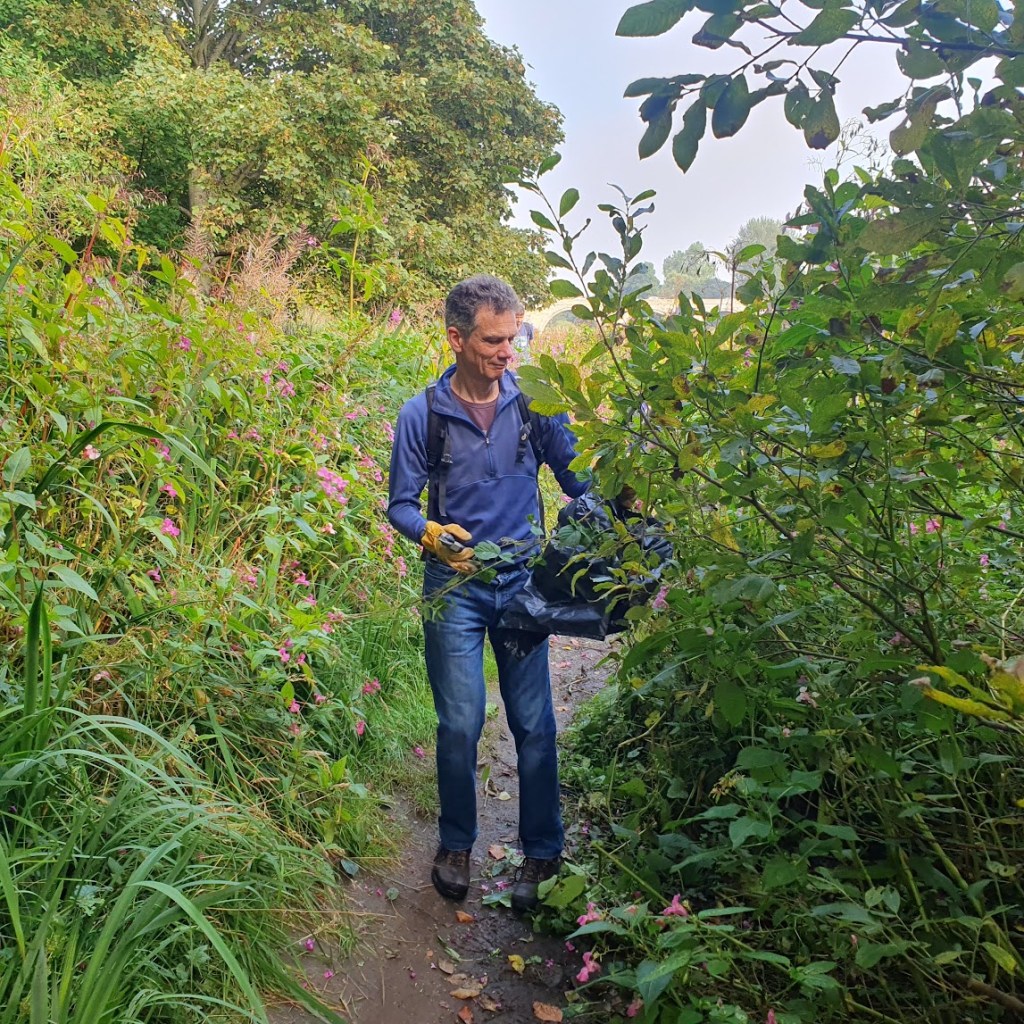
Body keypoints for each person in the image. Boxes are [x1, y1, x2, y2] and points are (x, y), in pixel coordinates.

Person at [387, 274, 588, 913]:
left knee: (534, 724)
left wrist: (622, 505)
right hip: (456, 588)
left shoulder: (533, 405)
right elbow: (400, 506)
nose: (508, 352)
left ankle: (543, 852)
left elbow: (578, 479)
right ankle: (455, 843)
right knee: (460, 721)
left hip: (524, 585)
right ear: (456, 338)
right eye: (493, 340)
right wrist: (431, 534)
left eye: (513, 338)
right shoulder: (423, 415)